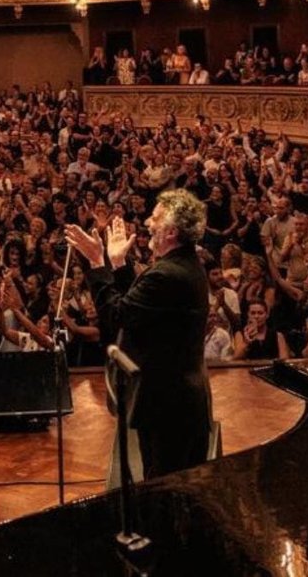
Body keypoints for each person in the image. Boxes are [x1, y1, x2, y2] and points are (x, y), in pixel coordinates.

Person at [64, 188, 212, 482]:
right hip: (177, 399)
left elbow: (118, 317)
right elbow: (142, 310)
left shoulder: (167, 274)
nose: (147, 223)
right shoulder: (182, 267)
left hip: (168, 404)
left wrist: (97, 263)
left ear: (170, 232)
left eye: (154, 218)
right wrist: (118, 265)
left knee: (164, 490)